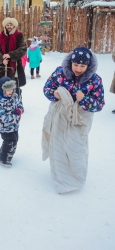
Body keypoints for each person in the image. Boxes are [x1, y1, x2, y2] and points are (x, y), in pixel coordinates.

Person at [42, 46, 105, 194]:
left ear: (88, 66)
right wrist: (55, 94)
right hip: (60, 117)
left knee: (76, 148)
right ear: (70, 62)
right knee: (58, 147)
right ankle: (61, 177)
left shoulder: (95, 80)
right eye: (76, 64)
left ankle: (75, 178)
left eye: (82, 66)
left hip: (79, 120)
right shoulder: (60, 73)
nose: (78, 68)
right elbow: (47, 88)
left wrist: (84, 100)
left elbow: (99, 104)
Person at [0, 76, 24, 167]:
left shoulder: (14, 96)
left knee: (15, 139)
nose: (11, 92)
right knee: (10, 141)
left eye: (12, 89)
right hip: (4, 127)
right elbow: (3, 118)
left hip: (14, 126)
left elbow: (19, 103)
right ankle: (3, 158)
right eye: (8, 90)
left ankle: (3, 152)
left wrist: (20, 109)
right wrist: (16, 117)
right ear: (3, 90)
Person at [0, 17, 27, 97]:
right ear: (5, 26)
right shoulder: (0, 37)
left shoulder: (19, 36)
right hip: (3, 65)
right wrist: (1, 59)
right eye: (7, 25)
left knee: (15, 84)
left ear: (14, 26)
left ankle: (17, 100)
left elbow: (23, 49)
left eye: (11, 25)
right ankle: (2, 101)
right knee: (2, 84)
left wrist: (10, 55)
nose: (9, 26)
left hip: (15, 65)